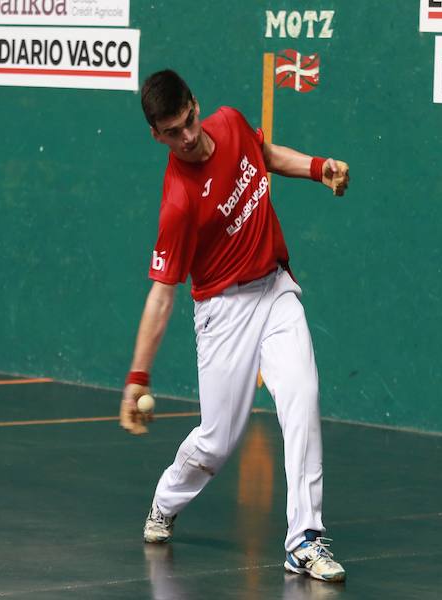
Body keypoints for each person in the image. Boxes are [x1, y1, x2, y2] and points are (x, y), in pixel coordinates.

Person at [119, 69, 349, 583]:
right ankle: (165, 499)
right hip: (223, 313)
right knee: (219, 441)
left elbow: (263, 155)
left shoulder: (230, 123)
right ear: (156, 136)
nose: (187, 137)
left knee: (303, 400)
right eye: (172, 133)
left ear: (197, 105)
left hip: (274, 290)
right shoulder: (178, 202)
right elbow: (161, 294)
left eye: (188, 121)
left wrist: (317, 167)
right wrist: (138, 377)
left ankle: (304, 540)